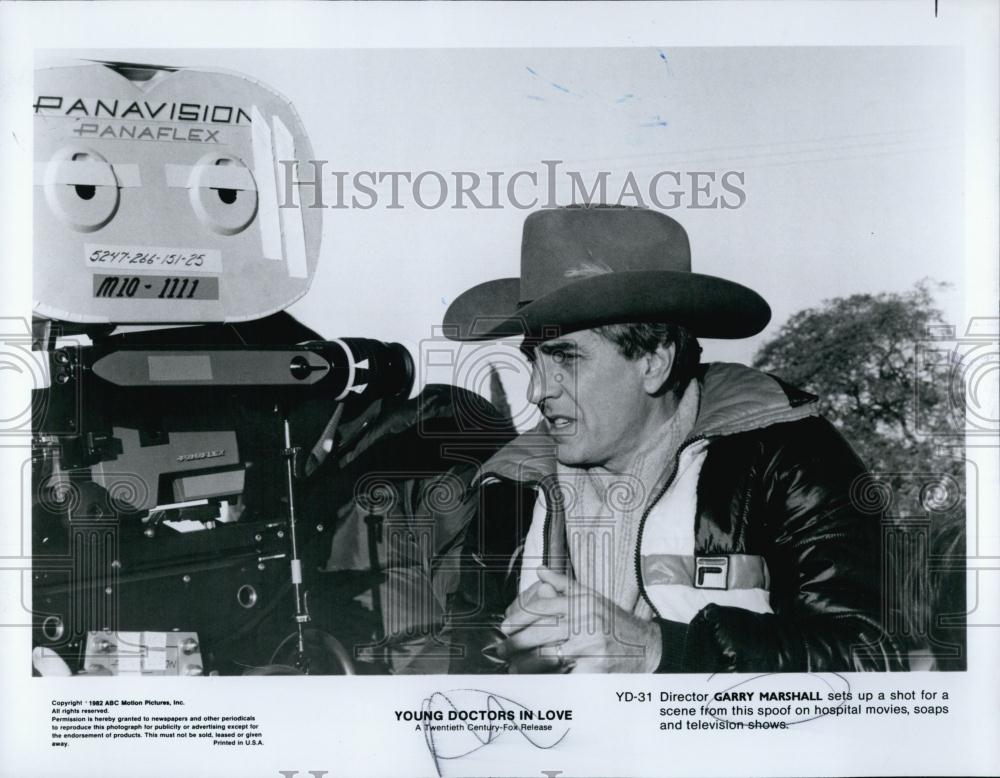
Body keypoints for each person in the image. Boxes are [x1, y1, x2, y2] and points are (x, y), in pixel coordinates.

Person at [443, 205, 906, 673]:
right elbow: (467, 667)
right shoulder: (510, 490)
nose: (536, 391)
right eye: (534, 361)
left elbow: (874, 658)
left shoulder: (788, 459)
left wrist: (657, 650)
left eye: (566, 357)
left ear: (654, 361)